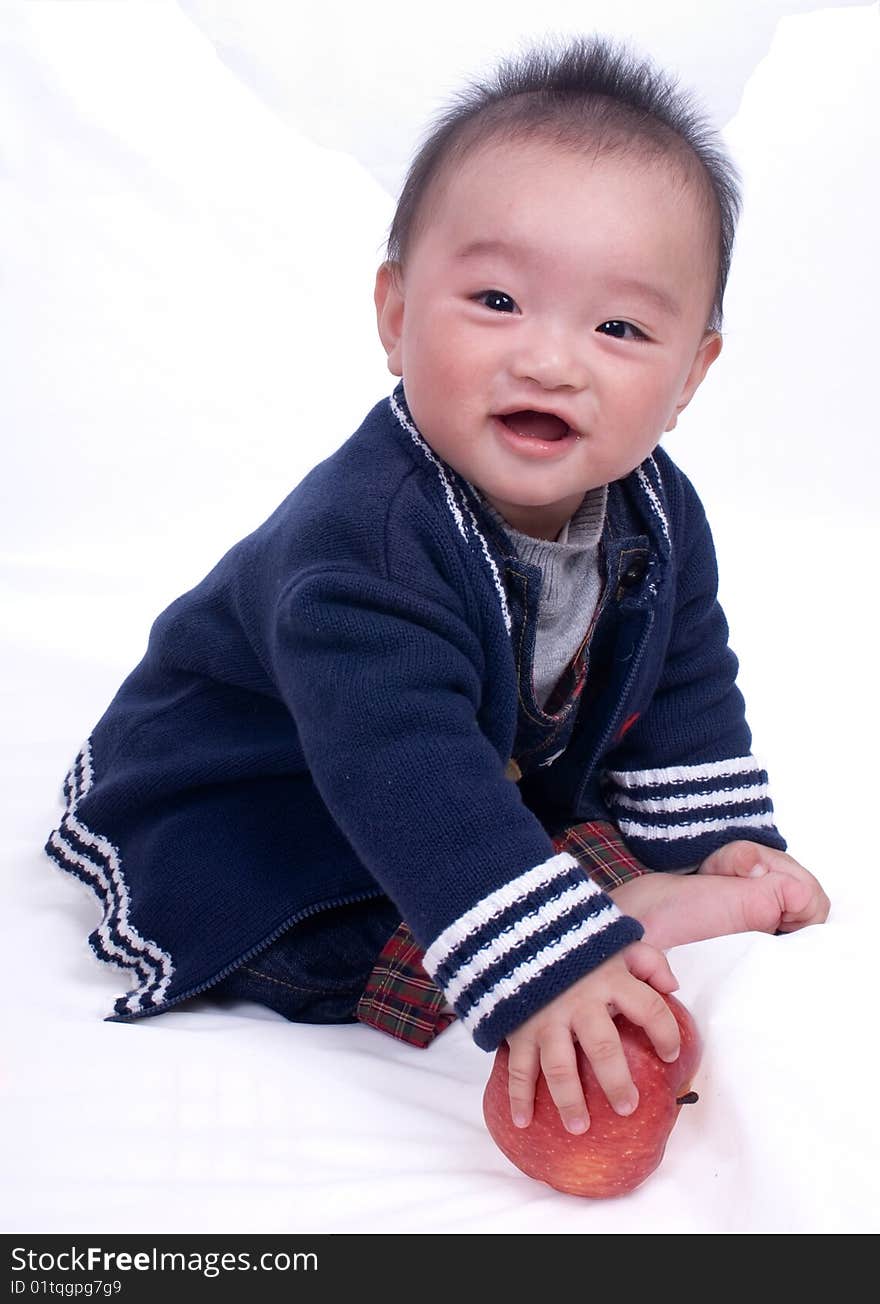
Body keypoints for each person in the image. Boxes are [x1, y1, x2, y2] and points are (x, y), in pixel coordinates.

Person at [45, 34, 829, 1140]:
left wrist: (712, 843)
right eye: (498, 299)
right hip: (265, 789)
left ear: (689, 374)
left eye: (618, 327)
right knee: (332, 927)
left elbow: (685, 678)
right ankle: (546, 916)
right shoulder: (363, 544)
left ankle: (594, 889)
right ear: (395, 315)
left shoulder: (658, 508)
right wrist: (542, 968)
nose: (551, 359)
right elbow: (400, 760)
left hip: (452, 771)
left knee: (526, 834)